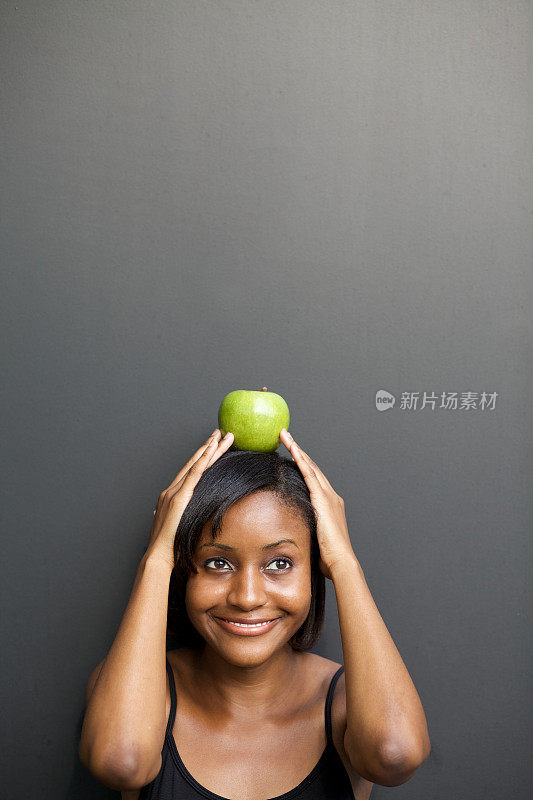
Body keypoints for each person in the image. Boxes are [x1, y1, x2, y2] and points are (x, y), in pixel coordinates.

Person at [79, 428, 431, 800]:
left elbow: (396, 755)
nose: (247, 597)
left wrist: (345, 563)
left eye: (279, 563)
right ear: (183, 568)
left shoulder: (348, 700)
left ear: (316, 568)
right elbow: (120, 762)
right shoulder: (137, 688)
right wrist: (158, 556)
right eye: (217, 562)